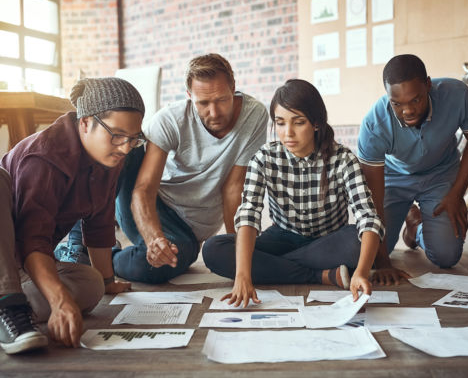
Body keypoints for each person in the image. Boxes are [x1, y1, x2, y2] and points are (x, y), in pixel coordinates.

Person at [56, 53, 269, 284]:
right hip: (145, 200)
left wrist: (233, 251)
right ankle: (78, 243)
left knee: (158, 267)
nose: (214, 112)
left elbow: (234, 187)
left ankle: (104, 254)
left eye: (221, 100)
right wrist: (154, 238)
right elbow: (143, 188)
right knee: (124, 144)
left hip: (186, 231)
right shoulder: (171, 120)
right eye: (203, 103)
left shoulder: (254, 115)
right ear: (189, 96)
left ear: (234, 89)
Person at [203, 79, 385, 307]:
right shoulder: (264, 158)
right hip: (282, 237)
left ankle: (275, 266)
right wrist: (242, 275)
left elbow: (368, 217)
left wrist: (361, 273)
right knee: (214, 250)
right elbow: (249, 214)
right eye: (280, 123)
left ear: (316, 123)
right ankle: (321, 275)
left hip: (328, 242)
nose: (287, 133)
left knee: (358, 243)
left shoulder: (343, 159)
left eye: (298, 122)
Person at [0, 77, 144, 354]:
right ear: (85, 122)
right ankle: (10, 305)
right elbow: (33, 238)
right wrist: (58, 301)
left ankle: (12, 308)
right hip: (11, 257)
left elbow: (100, 221)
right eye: (116, 135)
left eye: (133, 139)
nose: (125, 147)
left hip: (22, 266)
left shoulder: (109, 156)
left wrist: (106, 281)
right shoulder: (43, 156)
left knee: (90, 286)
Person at [357, 54, 468, 284]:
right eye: (397, 103)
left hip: (440, 173)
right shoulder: (374, 124)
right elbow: (373, 197)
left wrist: (457, 193)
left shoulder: (457, 94)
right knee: (373, 254)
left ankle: (415, 228)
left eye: (415, 100)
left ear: (428, 84)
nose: (407, 111)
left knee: (447, 256)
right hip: (393, 178)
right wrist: (385, 263)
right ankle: (409, 216)